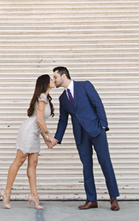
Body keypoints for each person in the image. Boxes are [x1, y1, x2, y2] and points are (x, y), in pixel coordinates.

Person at [53, 66, 120, 211]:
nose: (54, 80)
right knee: (87, 167)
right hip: (80, 135)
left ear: (63, 76)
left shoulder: (84, 85)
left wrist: (103, 126)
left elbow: (98, 104)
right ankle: (91, 199)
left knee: (105, 163)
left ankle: (113, 198)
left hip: (96, 130)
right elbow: (62, 120)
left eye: (55, 77)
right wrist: (56, 139)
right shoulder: (62, 98)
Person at [0, 74, 58, 209]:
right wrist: (50, 136)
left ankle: (34, 196)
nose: (54, 80)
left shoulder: (45, 98)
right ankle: (6, 193)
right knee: (19, 161)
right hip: (28, 132)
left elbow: (39, 122)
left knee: (33, 163)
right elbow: (39, 120)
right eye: (51, 79)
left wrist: (45, 138)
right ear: (45, 83)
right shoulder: (42, 97)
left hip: (35, 133)